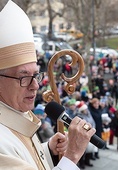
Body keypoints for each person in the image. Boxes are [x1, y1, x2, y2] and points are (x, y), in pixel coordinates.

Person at [0, 1, 96, 169]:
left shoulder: (18, 113)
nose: (35, 85)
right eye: (23, 77)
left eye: (36, 75)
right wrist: (72, 155)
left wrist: (47, 149)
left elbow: (23, 159)